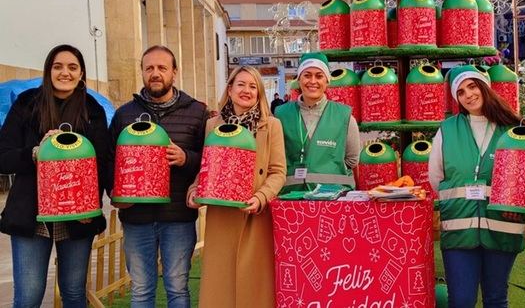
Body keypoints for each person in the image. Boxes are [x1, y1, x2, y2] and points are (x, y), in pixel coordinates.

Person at [0, 44, 112, 308]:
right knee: (28, 297)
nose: (65, 73)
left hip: (78, 216)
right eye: (58, 66)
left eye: (72, 67)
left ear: (81, 73)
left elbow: (102, 160)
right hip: (32, 214)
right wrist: (36, 152)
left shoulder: (92, 109)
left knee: (74, 293)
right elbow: (3, 155)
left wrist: (93, 205)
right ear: (48, 70)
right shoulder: (27, 104)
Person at [109, 45, 207, 308]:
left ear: (174, 73)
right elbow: (110, 161)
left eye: (162, 68)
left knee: (177, 288)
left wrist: (186, 158)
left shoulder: (197, 112)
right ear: (141, 72)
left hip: (178, 217)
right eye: (149, 68)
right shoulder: (124, 115)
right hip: (136, 217)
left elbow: (209, 161)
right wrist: (114, 195)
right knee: (141, 290)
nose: (155, 73)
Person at [187, 66, 286, 308]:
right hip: (221, 217)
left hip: (255, 216)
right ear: (230, 89)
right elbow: (206, 168)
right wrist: (194, 191)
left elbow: (278, 172)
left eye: (253, 86)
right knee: (220, 286)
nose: (247, 90)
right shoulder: (212, 125)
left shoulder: (271, 126)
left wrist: (261, 197)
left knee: (255, 287)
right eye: (241, 84)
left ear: (260, 93)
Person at [429, 65, 525, 308]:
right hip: (459, 228)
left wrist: (519, 205)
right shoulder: (448, 129)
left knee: (495, 298)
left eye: (472, 86)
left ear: (484, 87)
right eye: (460, 92)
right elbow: (436, 176)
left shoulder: (514, 128)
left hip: (502, 225)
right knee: (461, 301)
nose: (468, 95)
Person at [274, 53, 359, 192]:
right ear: (299, 79)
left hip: (334, 198)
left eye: (319, 76)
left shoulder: (344, 116)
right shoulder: (280, 115)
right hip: (290, 198)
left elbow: (352, 160)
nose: (313, 81)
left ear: (327, 81)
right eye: (307, 75)